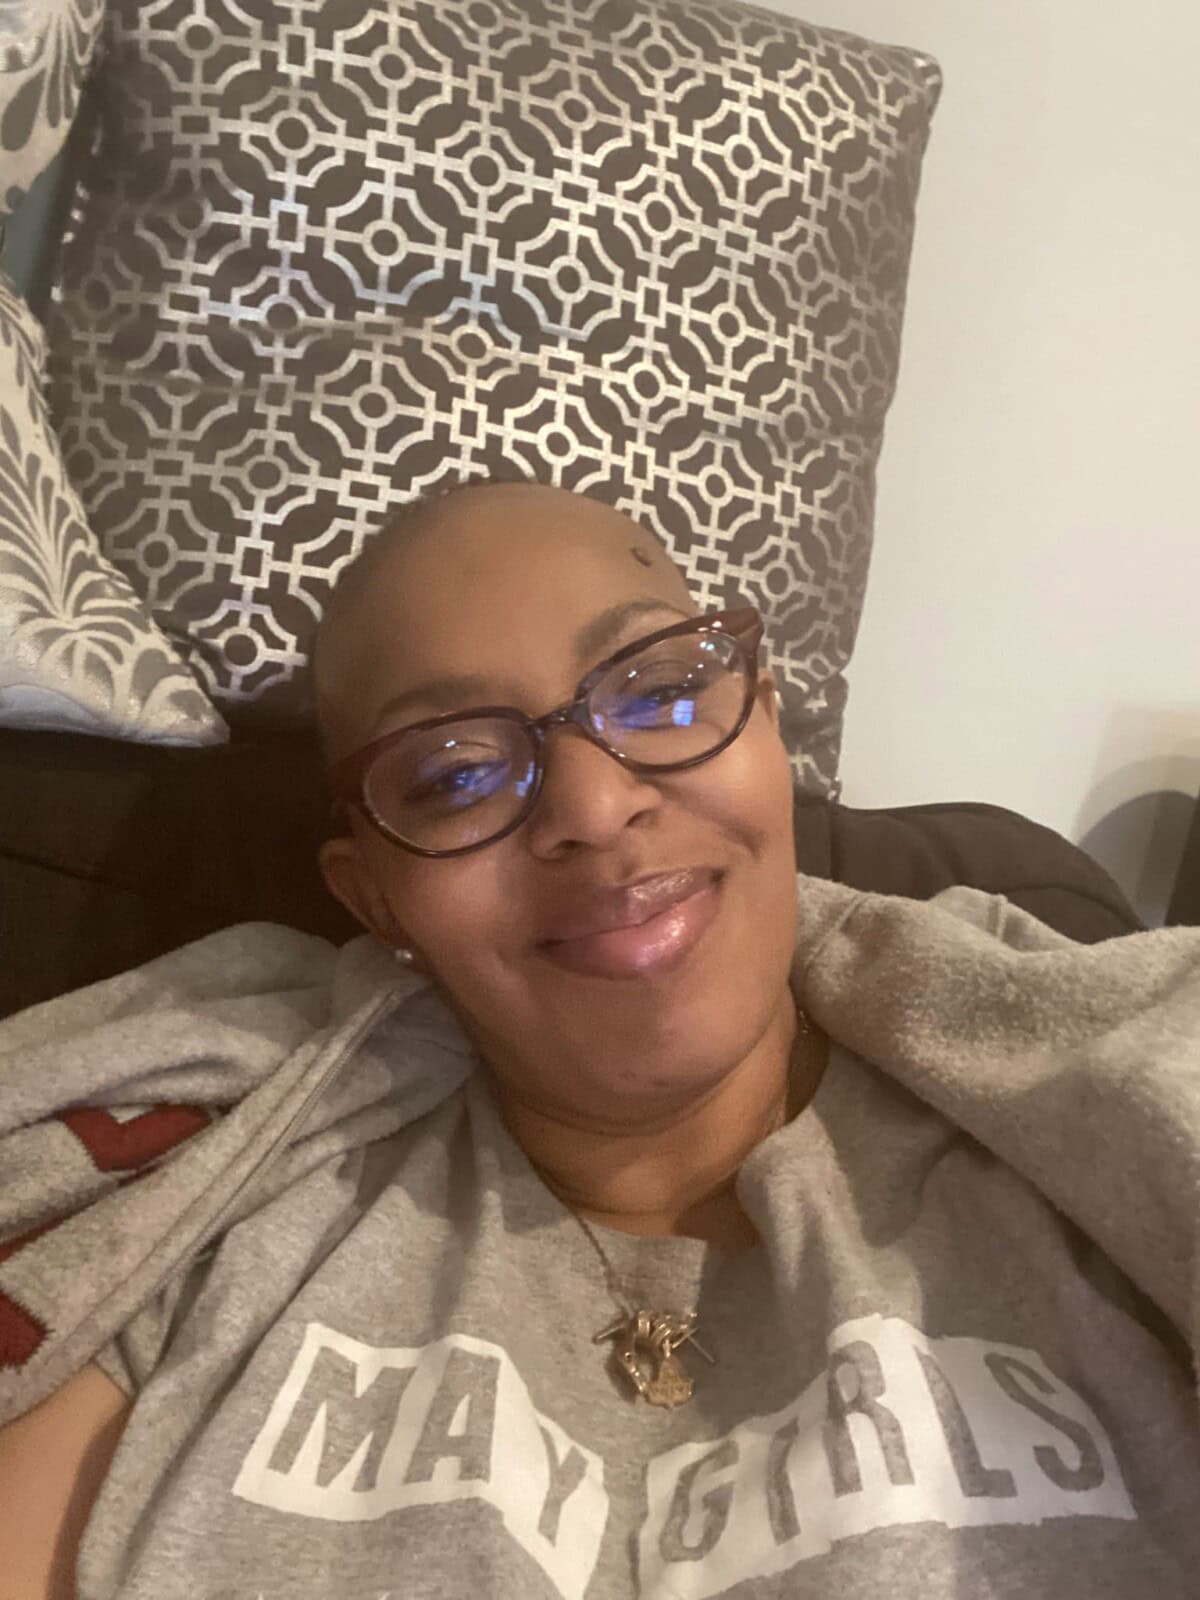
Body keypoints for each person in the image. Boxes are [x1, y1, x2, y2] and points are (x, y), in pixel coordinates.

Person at [2, 478, 1200, 1600]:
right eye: (459, 773)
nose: (592, 804)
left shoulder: (1096, 1124)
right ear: (373, 899)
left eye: (664, 693)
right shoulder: (228, 1222)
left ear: (765, 732)